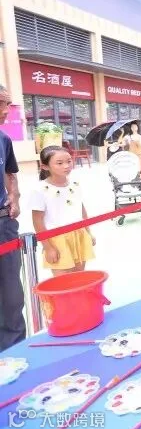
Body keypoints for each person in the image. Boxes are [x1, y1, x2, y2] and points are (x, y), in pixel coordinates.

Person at [30, 146, 96, 276]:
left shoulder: (75, 184)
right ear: (45, 166)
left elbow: (81, 210)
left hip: (79, 235)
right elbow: (37, 221)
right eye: (59, 163)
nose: (66, 166)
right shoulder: (40, 190)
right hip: (57, 240)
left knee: (79, 278)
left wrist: (88, 233)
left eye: (69, 161)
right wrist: (48, 247)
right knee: (63, 280)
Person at [0, 85, 24, 352]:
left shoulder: (3, 139)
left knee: (11, 296)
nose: (6, 110)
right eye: (1, 103)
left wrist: (14, 196)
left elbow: (10, 172)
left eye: (7, 103)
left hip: (3, 225)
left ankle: (14, 353)